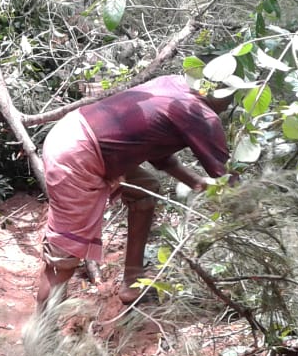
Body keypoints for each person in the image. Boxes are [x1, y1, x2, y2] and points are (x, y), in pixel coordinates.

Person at [36, 74, 233, 311]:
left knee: (145, 189)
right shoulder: (201, 115)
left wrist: (198, 183)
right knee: (63, 258)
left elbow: (157, 151)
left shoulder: (174, 83)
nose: (229, 106)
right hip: (80, 154)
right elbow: (232, 184)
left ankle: (131, 282)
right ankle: (43, 333)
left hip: (73, 132)